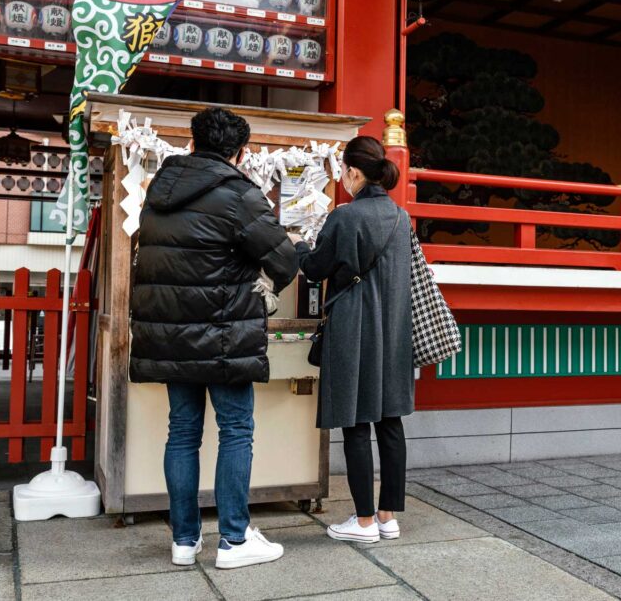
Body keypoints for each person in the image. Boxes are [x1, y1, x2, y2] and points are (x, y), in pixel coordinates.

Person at [130, 107, 298, 569]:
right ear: (239, 152)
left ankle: (184, 541)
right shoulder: (238, 194)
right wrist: (260, 283)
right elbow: (284, 261)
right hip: (224, 333)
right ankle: (234, 541)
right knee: (235, 430)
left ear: (192, 143)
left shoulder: (158, 192)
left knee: (182, 432)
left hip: (168, 332)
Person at [292, 136, 414, 544]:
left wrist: (300, 247)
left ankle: (363, 522)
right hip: (393, 329)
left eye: (343, 171)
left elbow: (314, 267)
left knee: (357, 423)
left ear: (354, 173)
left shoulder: (345, 217)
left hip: (353, 327)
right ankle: (387, 516)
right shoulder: (400, 218)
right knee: (390, 422)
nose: (342, 178)